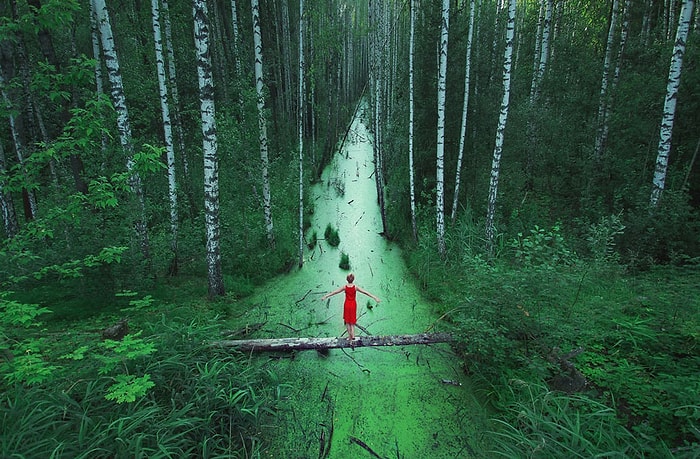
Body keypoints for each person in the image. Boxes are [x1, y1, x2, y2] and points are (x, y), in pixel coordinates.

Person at [321, 273, 380, 341]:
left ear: (347, 279)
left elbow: (335, 292)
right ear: (353, 279)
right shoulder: (355, 287)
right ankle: (353, 336)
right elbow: (365, 292)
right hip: (353, 305)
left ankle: (350, 337)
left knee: (347, 321)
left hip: (347, 304)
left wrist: (326, 296)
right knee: (352, 321)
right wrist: (375, 297)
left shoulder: (345, 287)